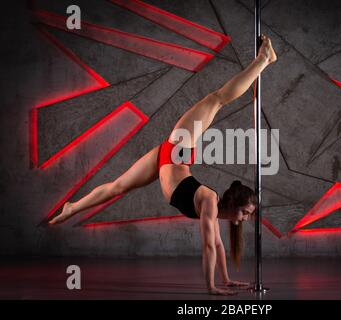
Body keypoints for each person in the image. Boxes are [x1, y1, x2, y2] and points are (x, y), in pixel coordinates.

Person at [48, 35, 277, 295]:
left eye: (248, 216)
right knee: (218, 99)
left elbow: (217, 244)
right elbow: (209, 247)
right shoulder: (210, 200)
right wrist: (211, 287)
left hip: (166, 159)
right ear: (234, 205)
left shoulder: (211, 208)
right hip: (179, 146)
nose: (246, 219)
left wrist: (225, 279)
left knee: (117, 187)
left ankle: (72, 207)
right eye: (246, 213)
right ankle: (262, 60)